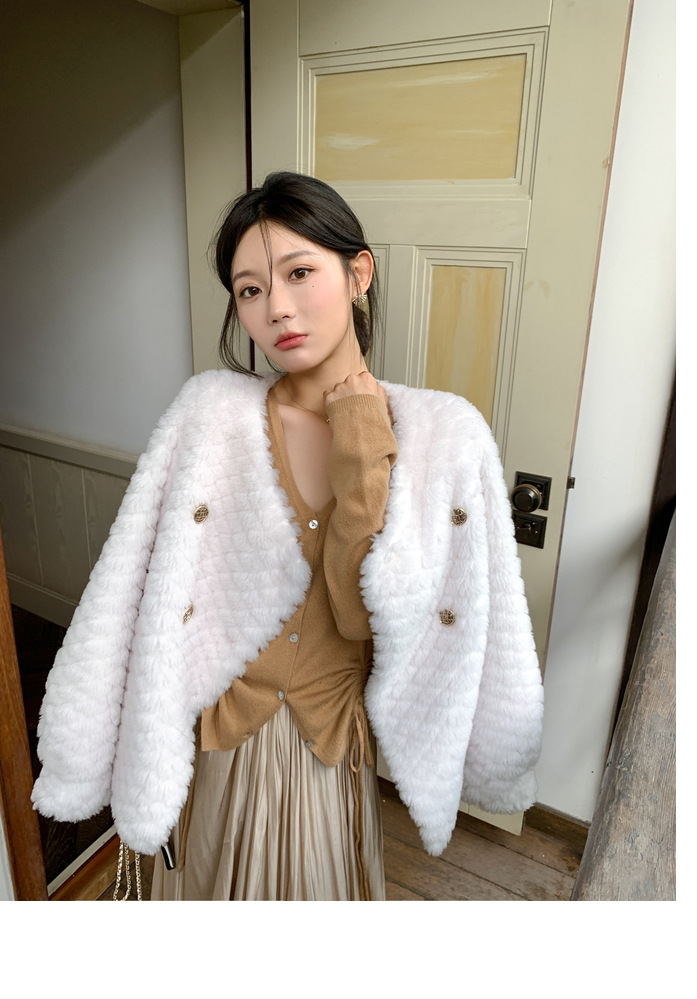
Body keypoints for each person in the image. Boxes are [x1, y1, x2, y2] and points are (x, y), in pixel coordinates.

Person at [31, 172, 544, 901]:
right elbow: (128, 588)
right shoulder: (210, 415)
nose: (275, 308)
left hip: (324, 752)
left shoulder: (445, 438)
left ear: (358, 273)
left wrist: (360, 443)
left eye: (300, 273)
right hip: (215, 744)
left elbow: (360, 615)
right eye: (249, 290)